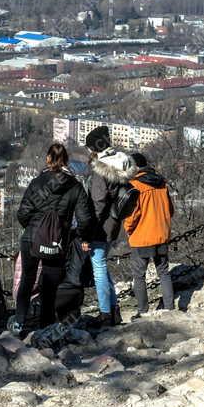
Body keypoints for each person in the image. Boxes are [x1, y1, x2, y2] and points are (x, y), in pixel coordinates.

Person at [14, 143, 95, 336]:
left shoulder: (37, 182)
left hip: (31, 238)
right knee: (50, 286)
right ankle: (46, 328)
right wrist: (75, 234)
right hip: (57, 241)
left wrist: (34, 228)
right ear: (66, 161)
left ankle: (19, 322)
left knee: (27, 278)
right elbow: (85, 219)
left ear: (48, 159)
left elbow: (22, 213)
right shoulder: (75, 186)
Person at [84, 126, 135, 326]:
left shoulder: (101, 170)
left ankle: (105, 313)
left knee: (98, 269)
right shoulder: (122, 163)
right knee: (103, 267)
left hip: (100, 227)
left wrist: (87, 231)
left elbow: (98, 203)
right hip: (114, 224)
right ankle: (114, 311)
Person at [124, 153, 175, 316]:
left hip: (142, 236)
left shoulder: (134, 185)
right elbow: (171, 210)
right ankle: (169, 308)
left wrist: (128, 228)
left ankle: (142, 311)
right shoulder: (162, 184)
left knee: (139, 275)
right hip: (162, 234)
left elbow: (133, 214)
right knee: (164, 272)